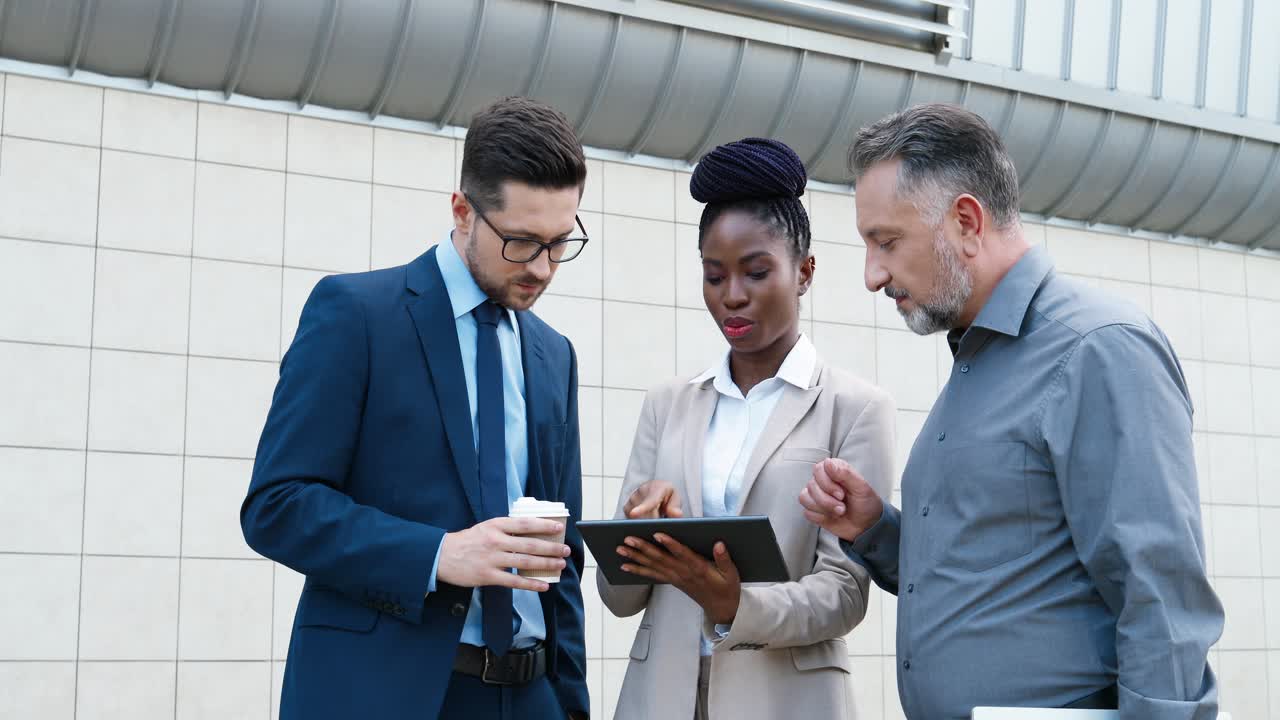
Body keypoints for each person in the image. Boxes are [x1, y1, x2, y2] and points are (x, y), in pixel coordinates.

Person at [800, 103, 1223, 719]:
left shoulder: (1096, 348)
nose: (872, 275)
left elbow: (1161, 595)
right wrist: (875, 530)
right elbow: (989, 574)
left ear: (967, 221)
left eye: (886, 242)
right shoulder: (979, 361)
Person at [241, 96, 590, 720]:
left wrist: (568, 702)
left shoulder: (553, 354)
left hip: (531, 696)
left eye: (561, 243)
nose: (542, 268)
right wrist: (438, 554)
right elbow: (277, 505)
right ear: (462, 211)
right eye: (521, 242)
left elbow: (562, 560)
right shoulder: (356, 314)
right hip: (385, 693)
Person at [597, 138, 896, 720]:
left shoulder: (855, 408)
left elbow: (844, 593)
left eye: (756, 272)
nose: (732, 297)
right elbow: (618, 598)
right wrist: (635, 532)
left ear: (805, 271)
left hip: (788, 702)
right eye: (714, 276)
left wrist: (734, 603)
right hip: (661, 701)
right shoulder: (667, 404)